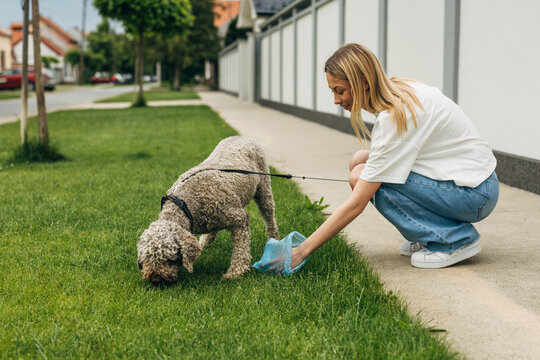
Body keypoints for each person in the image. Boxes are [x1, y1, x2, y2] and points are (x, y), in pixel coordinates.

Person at [288, 43, 499, 270]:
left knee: (360, 177)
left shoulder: (395, 118)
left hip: (476, 195)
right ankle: (431, 232)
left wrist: (301, 251)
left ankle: (454, 239)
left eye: (340, 91)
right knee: (360, 160)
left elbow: (355, 204)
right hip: (477, 184)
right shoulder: (399, 88)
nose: (336, 101)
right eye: (333, 92)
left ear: (364, 83)